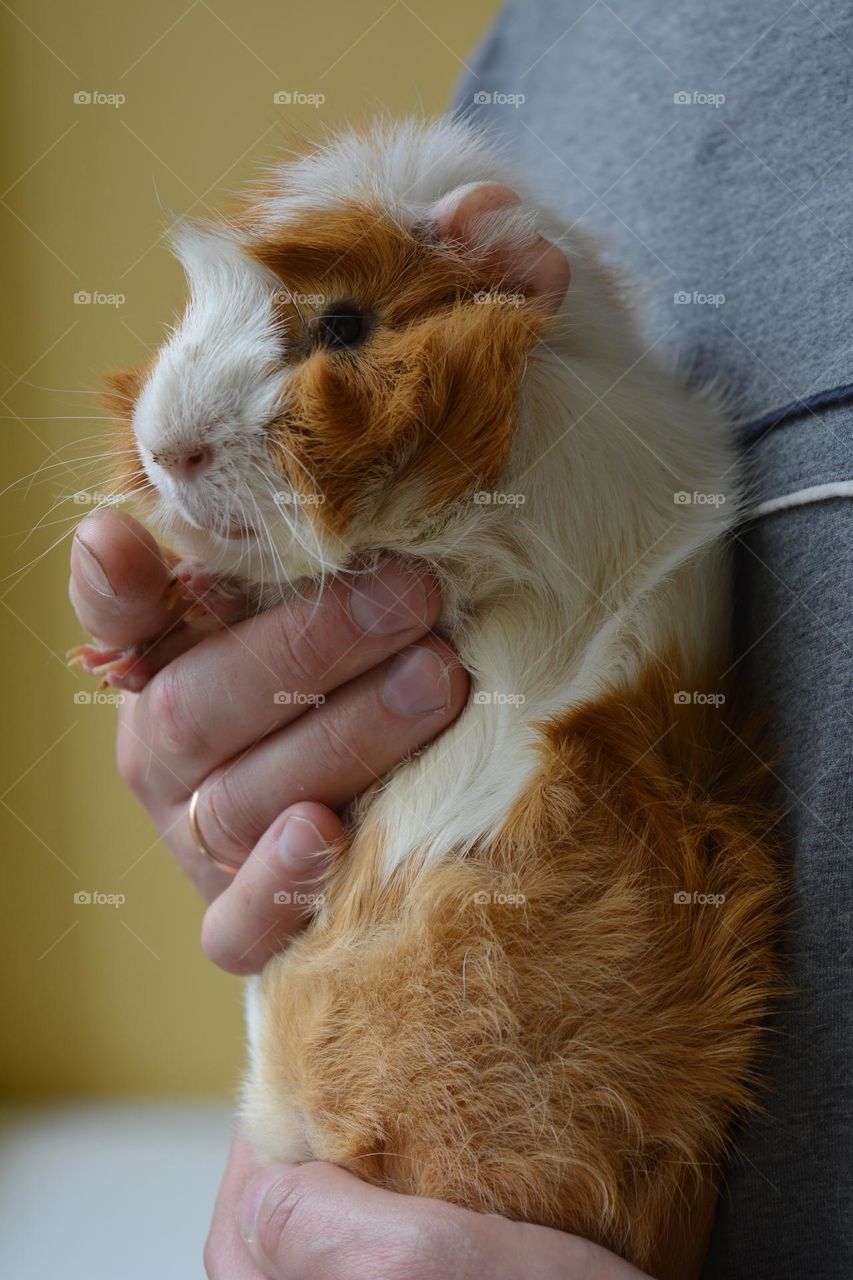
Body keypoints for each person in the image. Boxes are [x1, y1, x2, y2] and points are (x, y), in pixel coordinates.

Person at [70, 3, 853, 1276]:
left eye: (330, 333)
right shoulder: (545, 45)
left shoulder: (577, 429)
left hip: (551, 1092)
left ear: (508, 278)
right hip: (355, 1127)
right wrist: (243, 774)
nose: (170, 427)